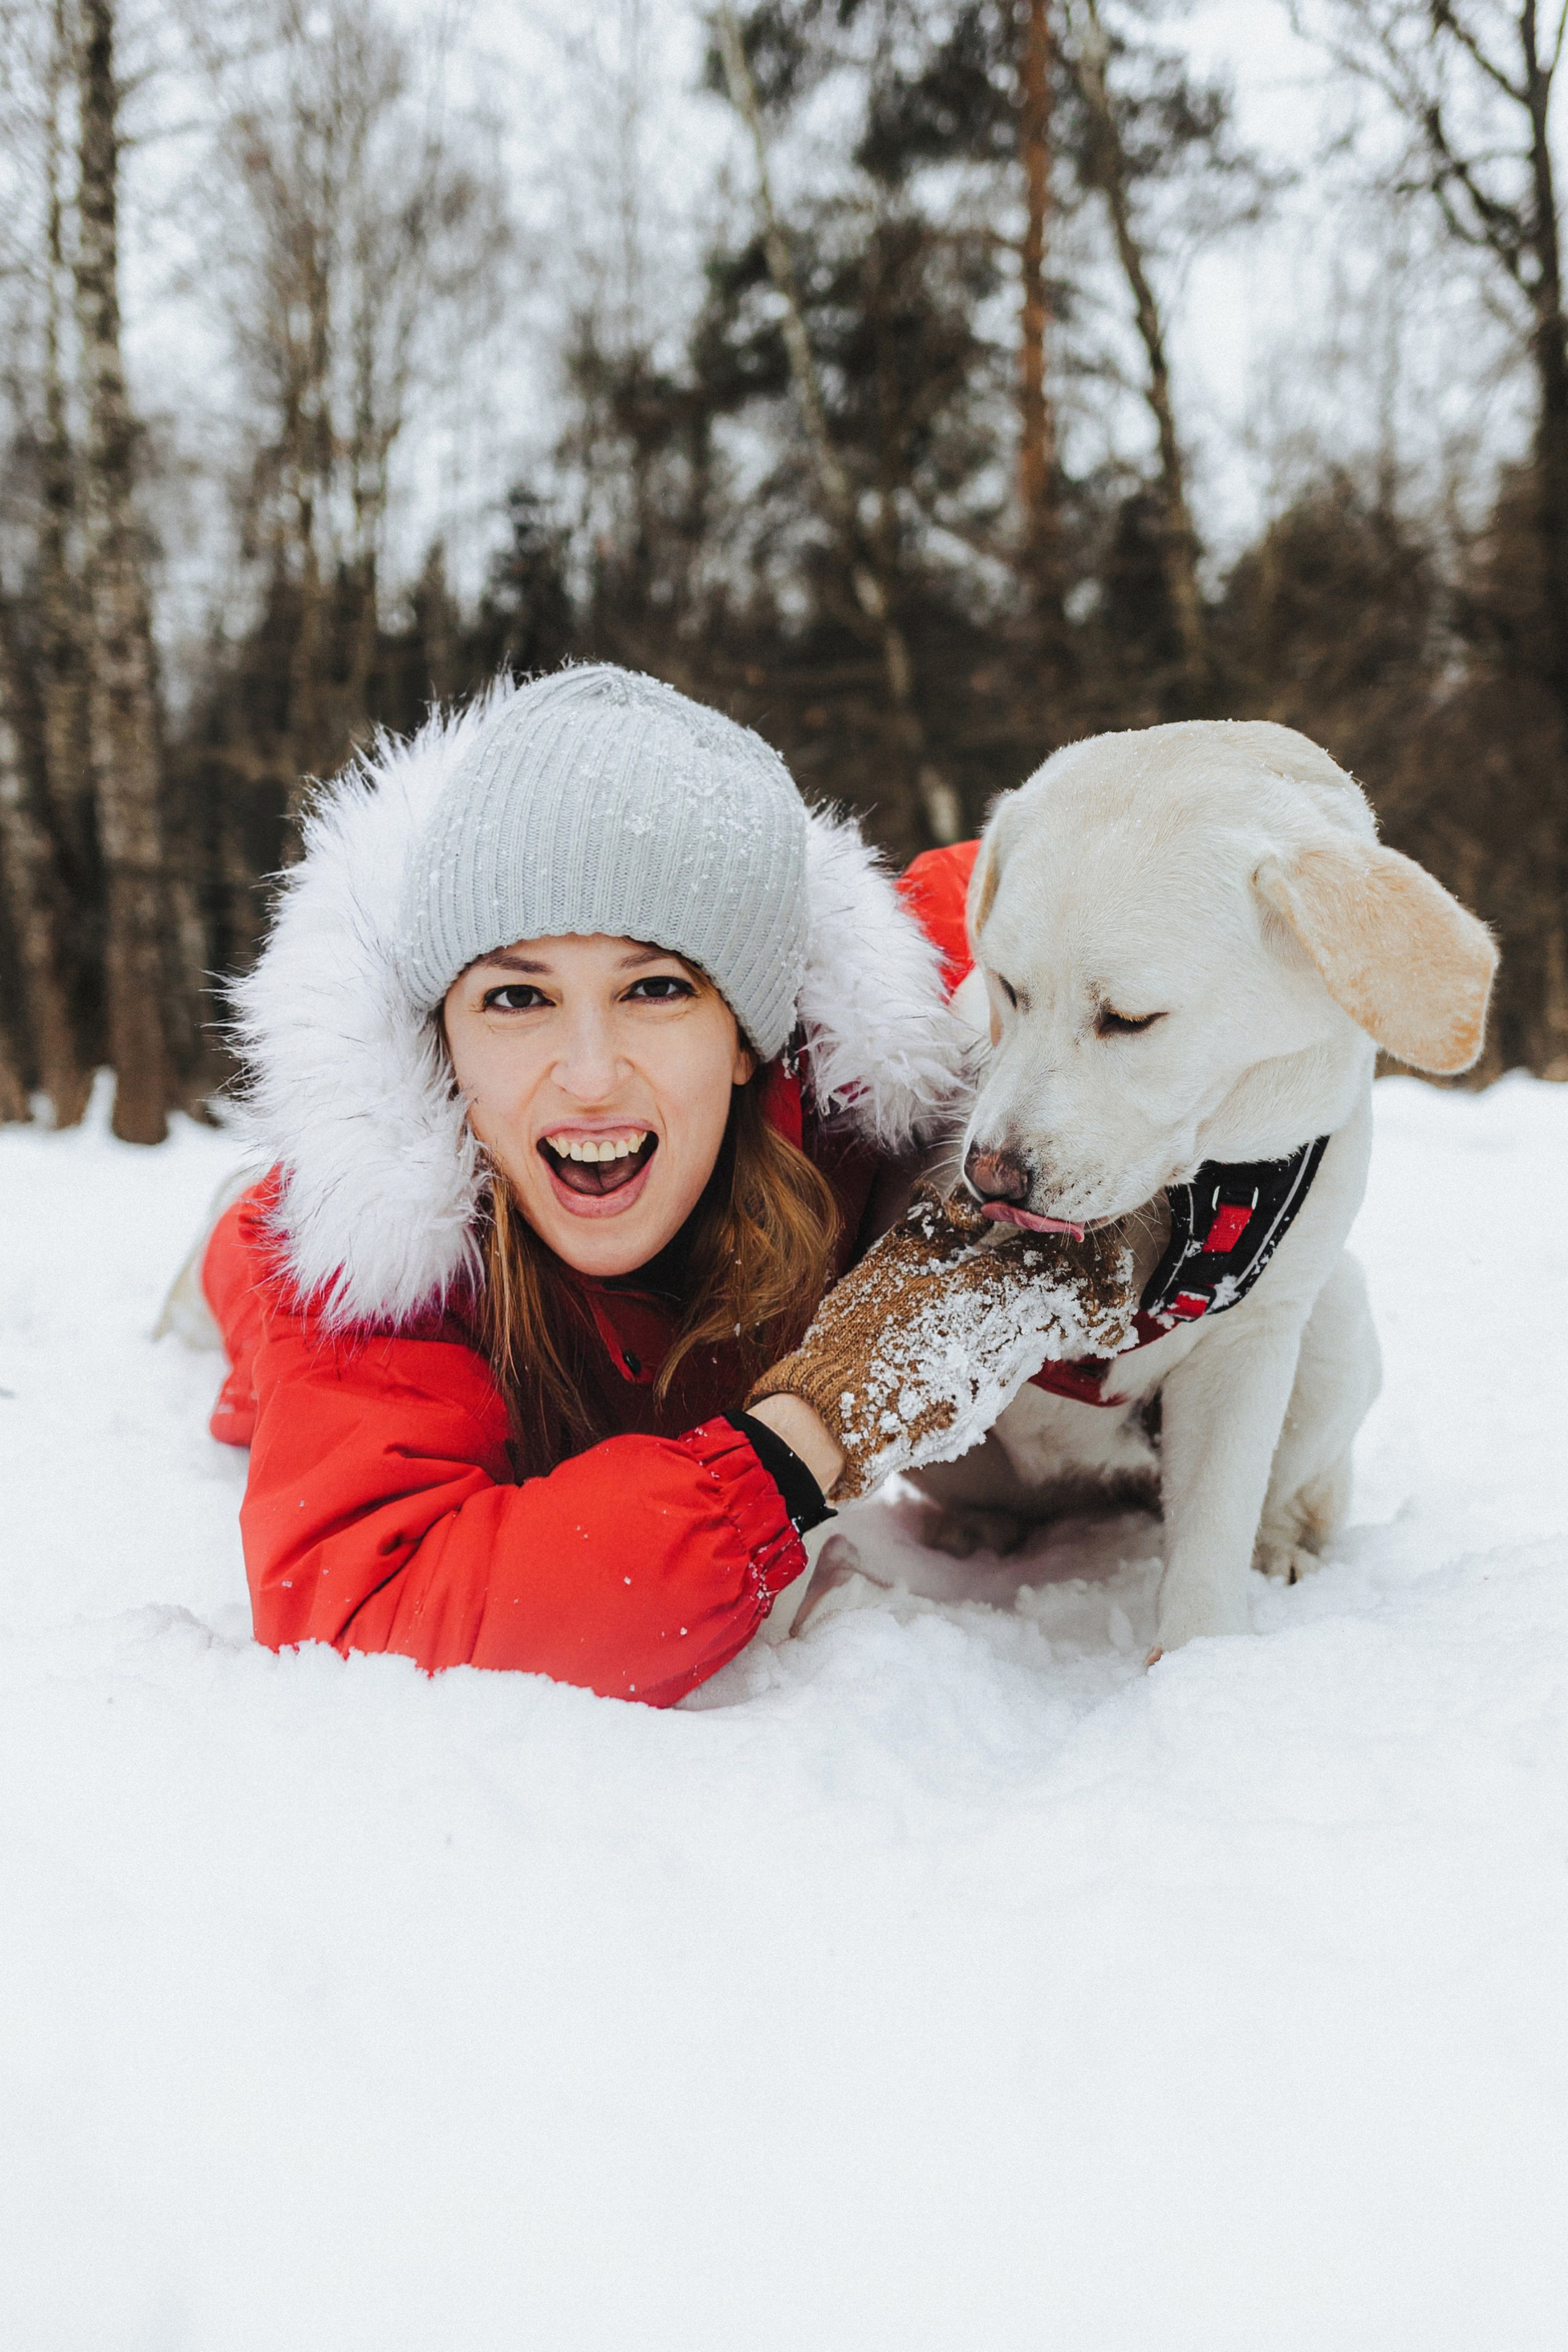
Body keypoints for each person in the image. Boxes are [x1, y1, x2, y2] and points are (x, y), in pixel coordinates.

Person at [202, 665, 1126, 1705]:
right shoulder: (368, 1241)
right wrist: (803, 1442)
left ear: (748, 1034)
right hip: (286, 1267)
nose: (590, 1077)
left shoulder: (859, 1066)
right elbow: (363, 1610)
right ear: (443, 1043)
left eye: (655, 988)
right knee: (249, 1262)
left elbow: (1114, 863)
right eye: (516, 996)